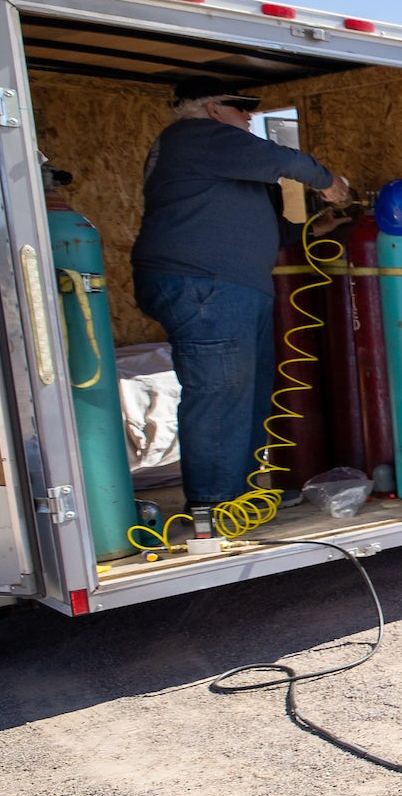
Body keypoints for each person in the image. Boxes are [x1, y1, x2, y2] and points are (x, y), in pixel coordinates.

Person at [131, 77, 349, 534]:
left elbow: (271, 231)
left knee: (246, 392)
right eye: (242, 106)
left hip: (229, 287)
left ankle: (244, 494)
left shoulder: (220, 160)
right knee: (220, 392)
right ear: (212, 109)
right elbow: (284, 160)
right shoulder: (196, 137)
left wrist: (316, 227)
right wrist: (328, 181)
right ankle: (213, 506)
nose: (251, 115)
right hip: (204, 286)